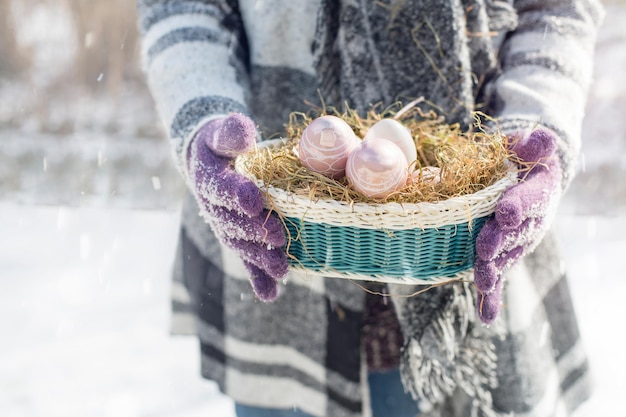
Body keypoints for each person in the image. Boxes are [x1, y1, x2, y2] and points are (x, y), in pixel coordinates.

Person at [136, 1, 603, 416]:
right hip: (271, 236)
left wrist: (534, 135)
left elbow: (556, 8)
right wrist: (203, 121)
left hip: (478, 233)